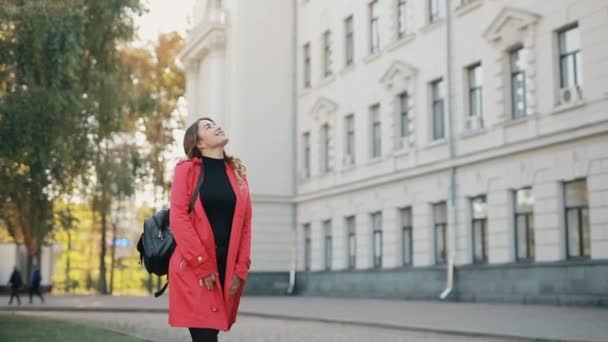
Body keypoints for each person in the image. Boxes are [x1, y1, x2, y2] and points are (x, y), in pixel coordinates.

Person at [168, 117, 253, 342]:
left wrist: (240, 269)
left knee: (211, 333)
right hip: (194, 267)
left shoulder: (238, 175)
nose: (217, 126)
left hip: (226, 266)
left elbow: (245, 226)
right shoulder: (186, 170)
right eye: (208, 126)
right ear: (199, 143)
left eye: (215, 123)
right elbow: (178, 218)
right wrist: (202, 264)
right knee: (205, 336)